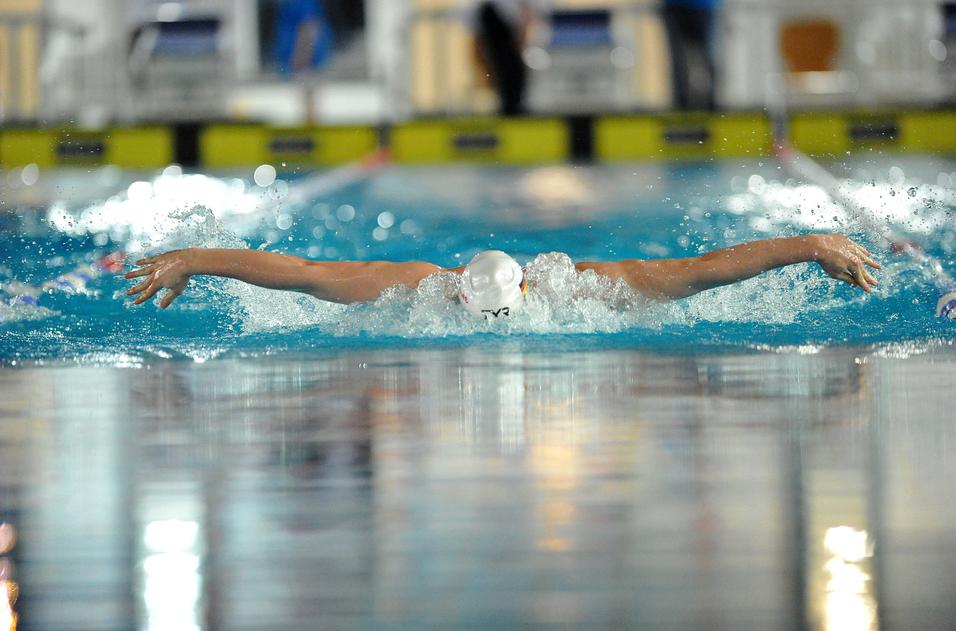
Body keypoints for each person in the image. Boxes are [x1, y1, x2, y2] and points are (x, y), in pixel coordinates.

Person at [124, 234, 880, 318]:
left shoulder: (582, 288)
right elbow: (304, 273)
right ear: (454, 289)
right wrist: (196, 256)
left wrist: (811, 244)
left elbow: (700, 272)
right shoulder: (411, 286)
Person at [465, 0, 538, 116]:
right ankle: (511, 109)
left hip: (500, 15)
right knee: (509, 69)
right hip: (498, 15)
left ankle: (511, 107)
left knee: (509, 69)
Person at [663, 0, 719, 111]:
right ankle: (682, 103)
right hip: (676, 6)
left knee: (707, 55)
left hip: (703, 5)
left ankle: (710, 103)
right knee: (678, 59)